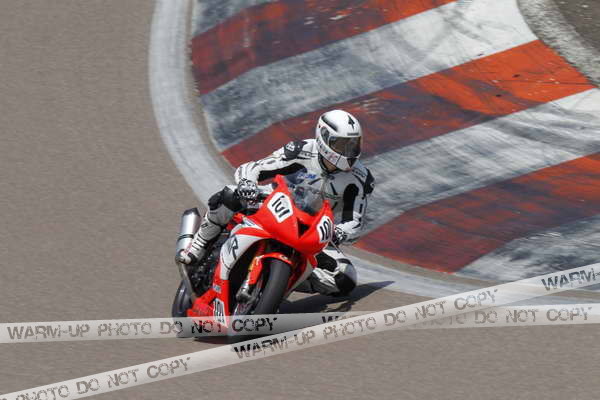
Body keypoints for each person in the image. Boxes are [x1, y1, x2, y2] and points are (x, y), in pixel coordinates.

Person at [177, 109, 375, 296]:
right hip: (274, 203)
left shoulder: (360, 178)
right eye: (342, 145)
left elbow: (355, 220)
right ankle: (198, 245)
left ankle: (281, 282)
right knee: (229, 194)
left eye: (353, 145)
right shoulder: (301, 150)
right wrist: (248, 183)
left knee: (345, 278)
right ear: (323, 137)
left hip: (313, 229)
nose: (349, 152)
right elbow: (255, 168)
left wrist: (340, 232)